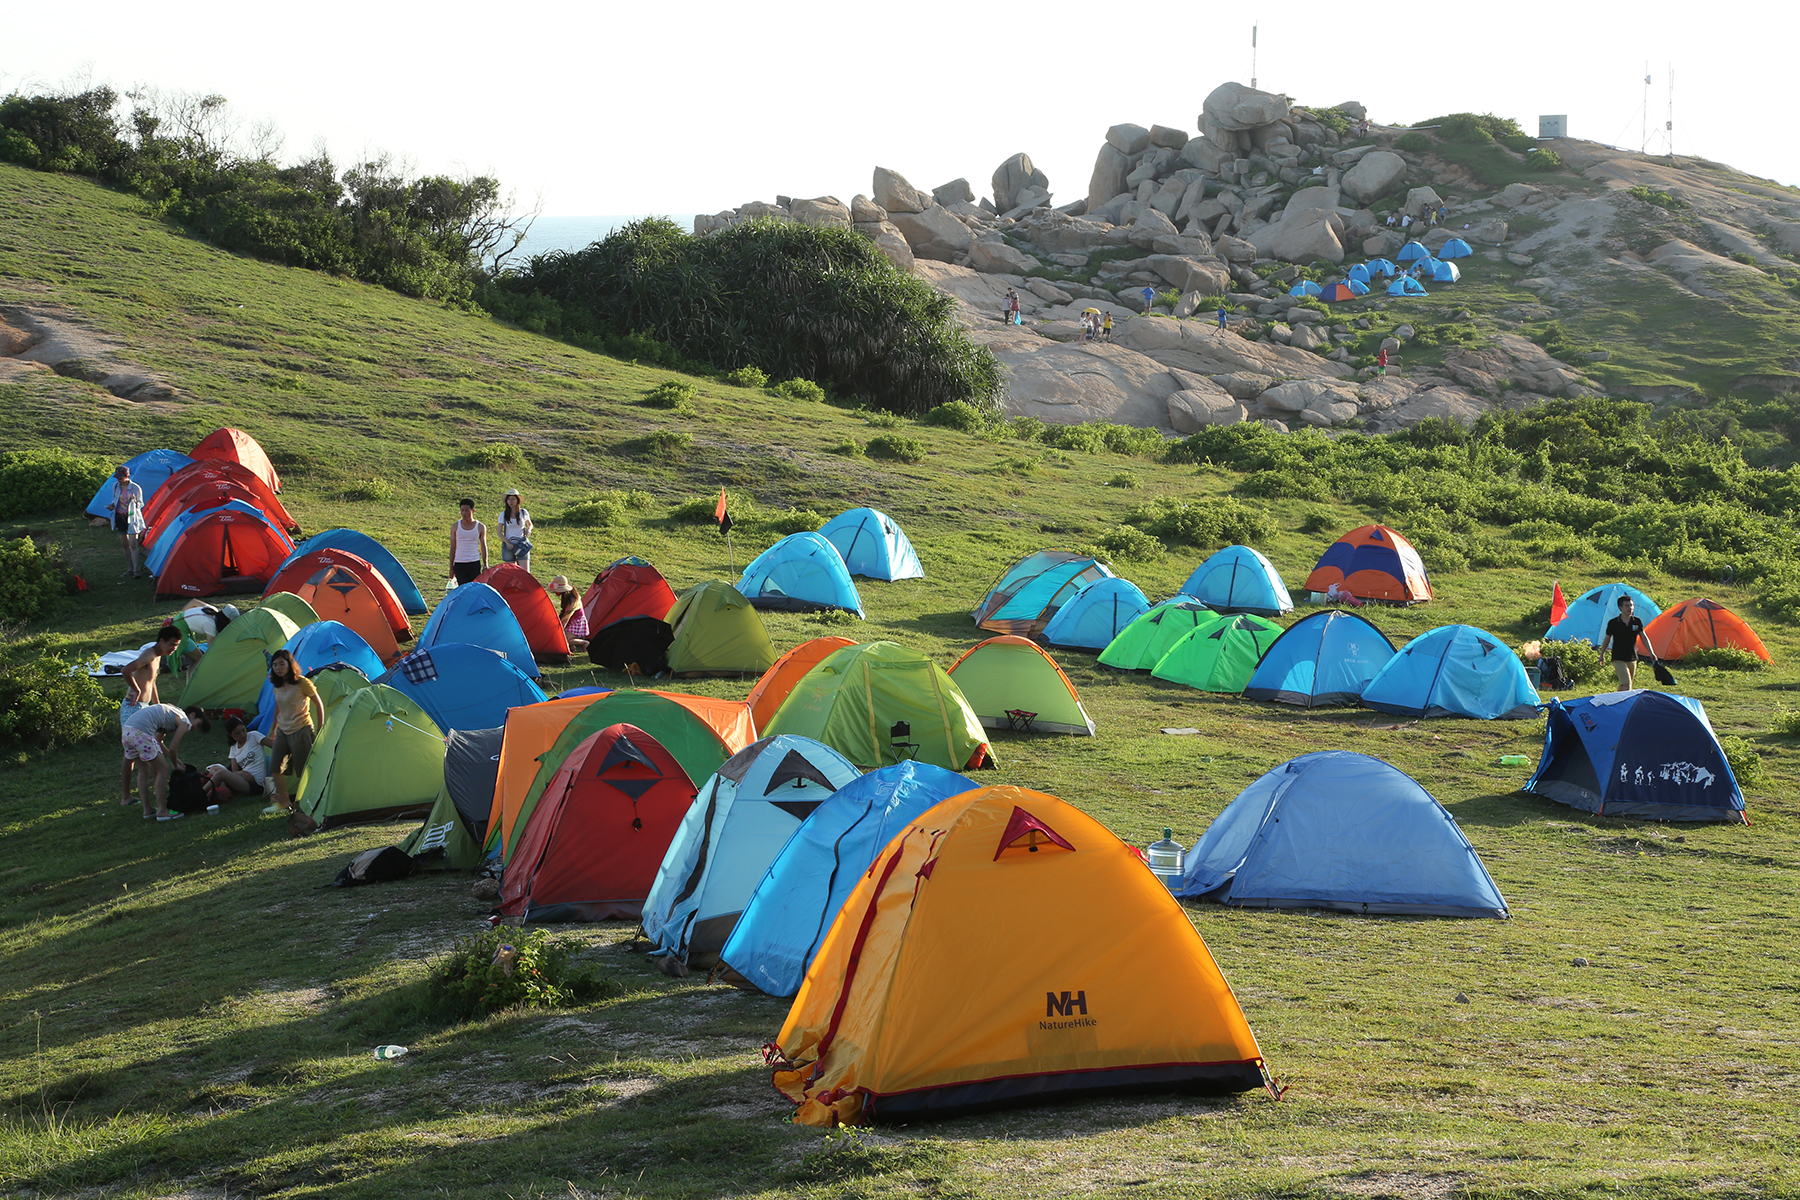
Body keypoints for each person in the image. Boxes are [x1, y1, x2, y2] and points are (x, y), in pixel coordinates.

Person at [119, 626, 182, 804]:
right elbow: (126, 670)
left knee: (146, 750)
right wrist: (135, 688)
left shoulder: (158, 658)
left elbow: (152, 682)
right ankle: (126, 796)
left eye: (176, 645)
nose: (174, 649)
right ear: (161, 641)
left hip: (144, 707)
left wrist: (158, 705)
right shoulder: (149, 654)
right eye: (171, 644)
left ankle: (157, 788)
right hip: (133, 707)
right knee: (132, 754)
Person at [121, 702, 209, 820]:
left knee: (143, 771)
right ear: (192, 715)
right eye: (198, 724)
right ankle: (162, 810)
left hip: (127, 732)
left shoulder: (171, 713)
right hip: (141, 733)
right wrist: (175, 765)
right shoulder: (184, 720)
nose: (194, 728)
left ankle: (148, 810)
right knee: (163, 769)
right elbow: (173, 747)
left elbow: (158, 741)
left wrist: (176, 760)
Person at [264, 649, 324, 815]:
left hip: (302, 729)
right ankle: (283, 803)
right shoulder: (277, 684)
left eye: (282, 664)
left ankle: (309, 802)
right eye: (275, 664)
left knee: (303, 770)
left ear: (290, 664)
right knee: (275, 766)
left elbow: (318, 703)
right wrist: (273, 729)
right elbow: (278, 706)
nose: (278, 667)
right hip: (283, 730)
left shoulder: (301, 682)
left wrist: (321, 726)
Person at [205, 716, 267, 802]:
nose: (242, 735)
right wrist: (242, 773)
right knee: (214, 768)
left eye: (243, 730)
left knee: (220, 773)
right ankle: (224, 789)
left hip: (255, 783)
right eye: (237, 733)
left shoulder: (254, 736)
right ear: (230, 735)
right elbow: (235, 771)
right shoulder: (234, 748)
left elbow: (273, 744)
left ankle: (201, 793)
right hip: (243, 779)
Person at [105, 465, 146, 579]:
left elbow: (141, 504)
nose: (119, 479)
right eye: (117, 477)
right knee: (125, 545)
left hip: (132, 518)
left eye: (121, 477)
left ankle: (136, 570)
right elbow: (115, 500)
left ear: (127, 476)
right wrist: (112, 506)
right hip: (120, 516)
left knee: (133, 544)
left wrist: (135, 501)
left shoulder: (135, 488)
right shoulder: (116, 486)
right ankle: (130, 569)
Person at [1600, 595, 1646, 691]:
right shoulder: (1613, 623)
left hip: (1632, 657)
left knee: (1623, 685)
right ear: (1620, 607)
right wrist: (1602, 654)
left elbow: (1644, 637)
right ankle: (1626, 705)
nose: (1630, 608)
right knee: (1627, 685)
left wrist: (1652, 652)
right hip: (1618, 657)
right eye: (1627, 606)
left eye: (1632, 605)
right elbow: (1607, 638)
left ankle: (1615, 702)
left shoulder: (1636, 621)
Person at [449, 498, 487, 586]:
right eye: (462, 510)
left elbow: (483, 546)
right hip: (460, 562)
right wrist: (451, 566)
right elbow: (453, 546)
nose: (464, 513)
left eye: (467, 510)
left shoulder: (480, 527)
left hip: (474, 562)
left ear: (473, 511)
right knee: (463, 588)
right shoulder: (455, 526)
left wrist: (485, 564)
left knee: (474, 588)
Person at [548, 575, 590, 652]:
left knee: (566, 639)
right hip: (572, 619)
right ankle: (572, 647)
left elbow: (566, 618)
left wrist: (560, 630)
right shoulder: (567, 596)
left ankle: (585, 643)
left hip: (576, 621)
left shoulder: (571, 601)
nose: (554, 592)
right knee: (566, 636)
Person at [497, 489, 533, 573]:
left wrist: (529, 530)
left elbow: (530, 524)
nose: (511, 501)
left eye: (513, 499)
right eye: (509, 499)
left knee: (525, 572)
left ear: (517, 500)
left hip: (522, 544)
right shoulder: (503, 514)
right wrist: (508, 543)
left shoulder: (523, 512)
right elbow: (499, 532)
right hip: (509, 545)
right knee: (511, 572)